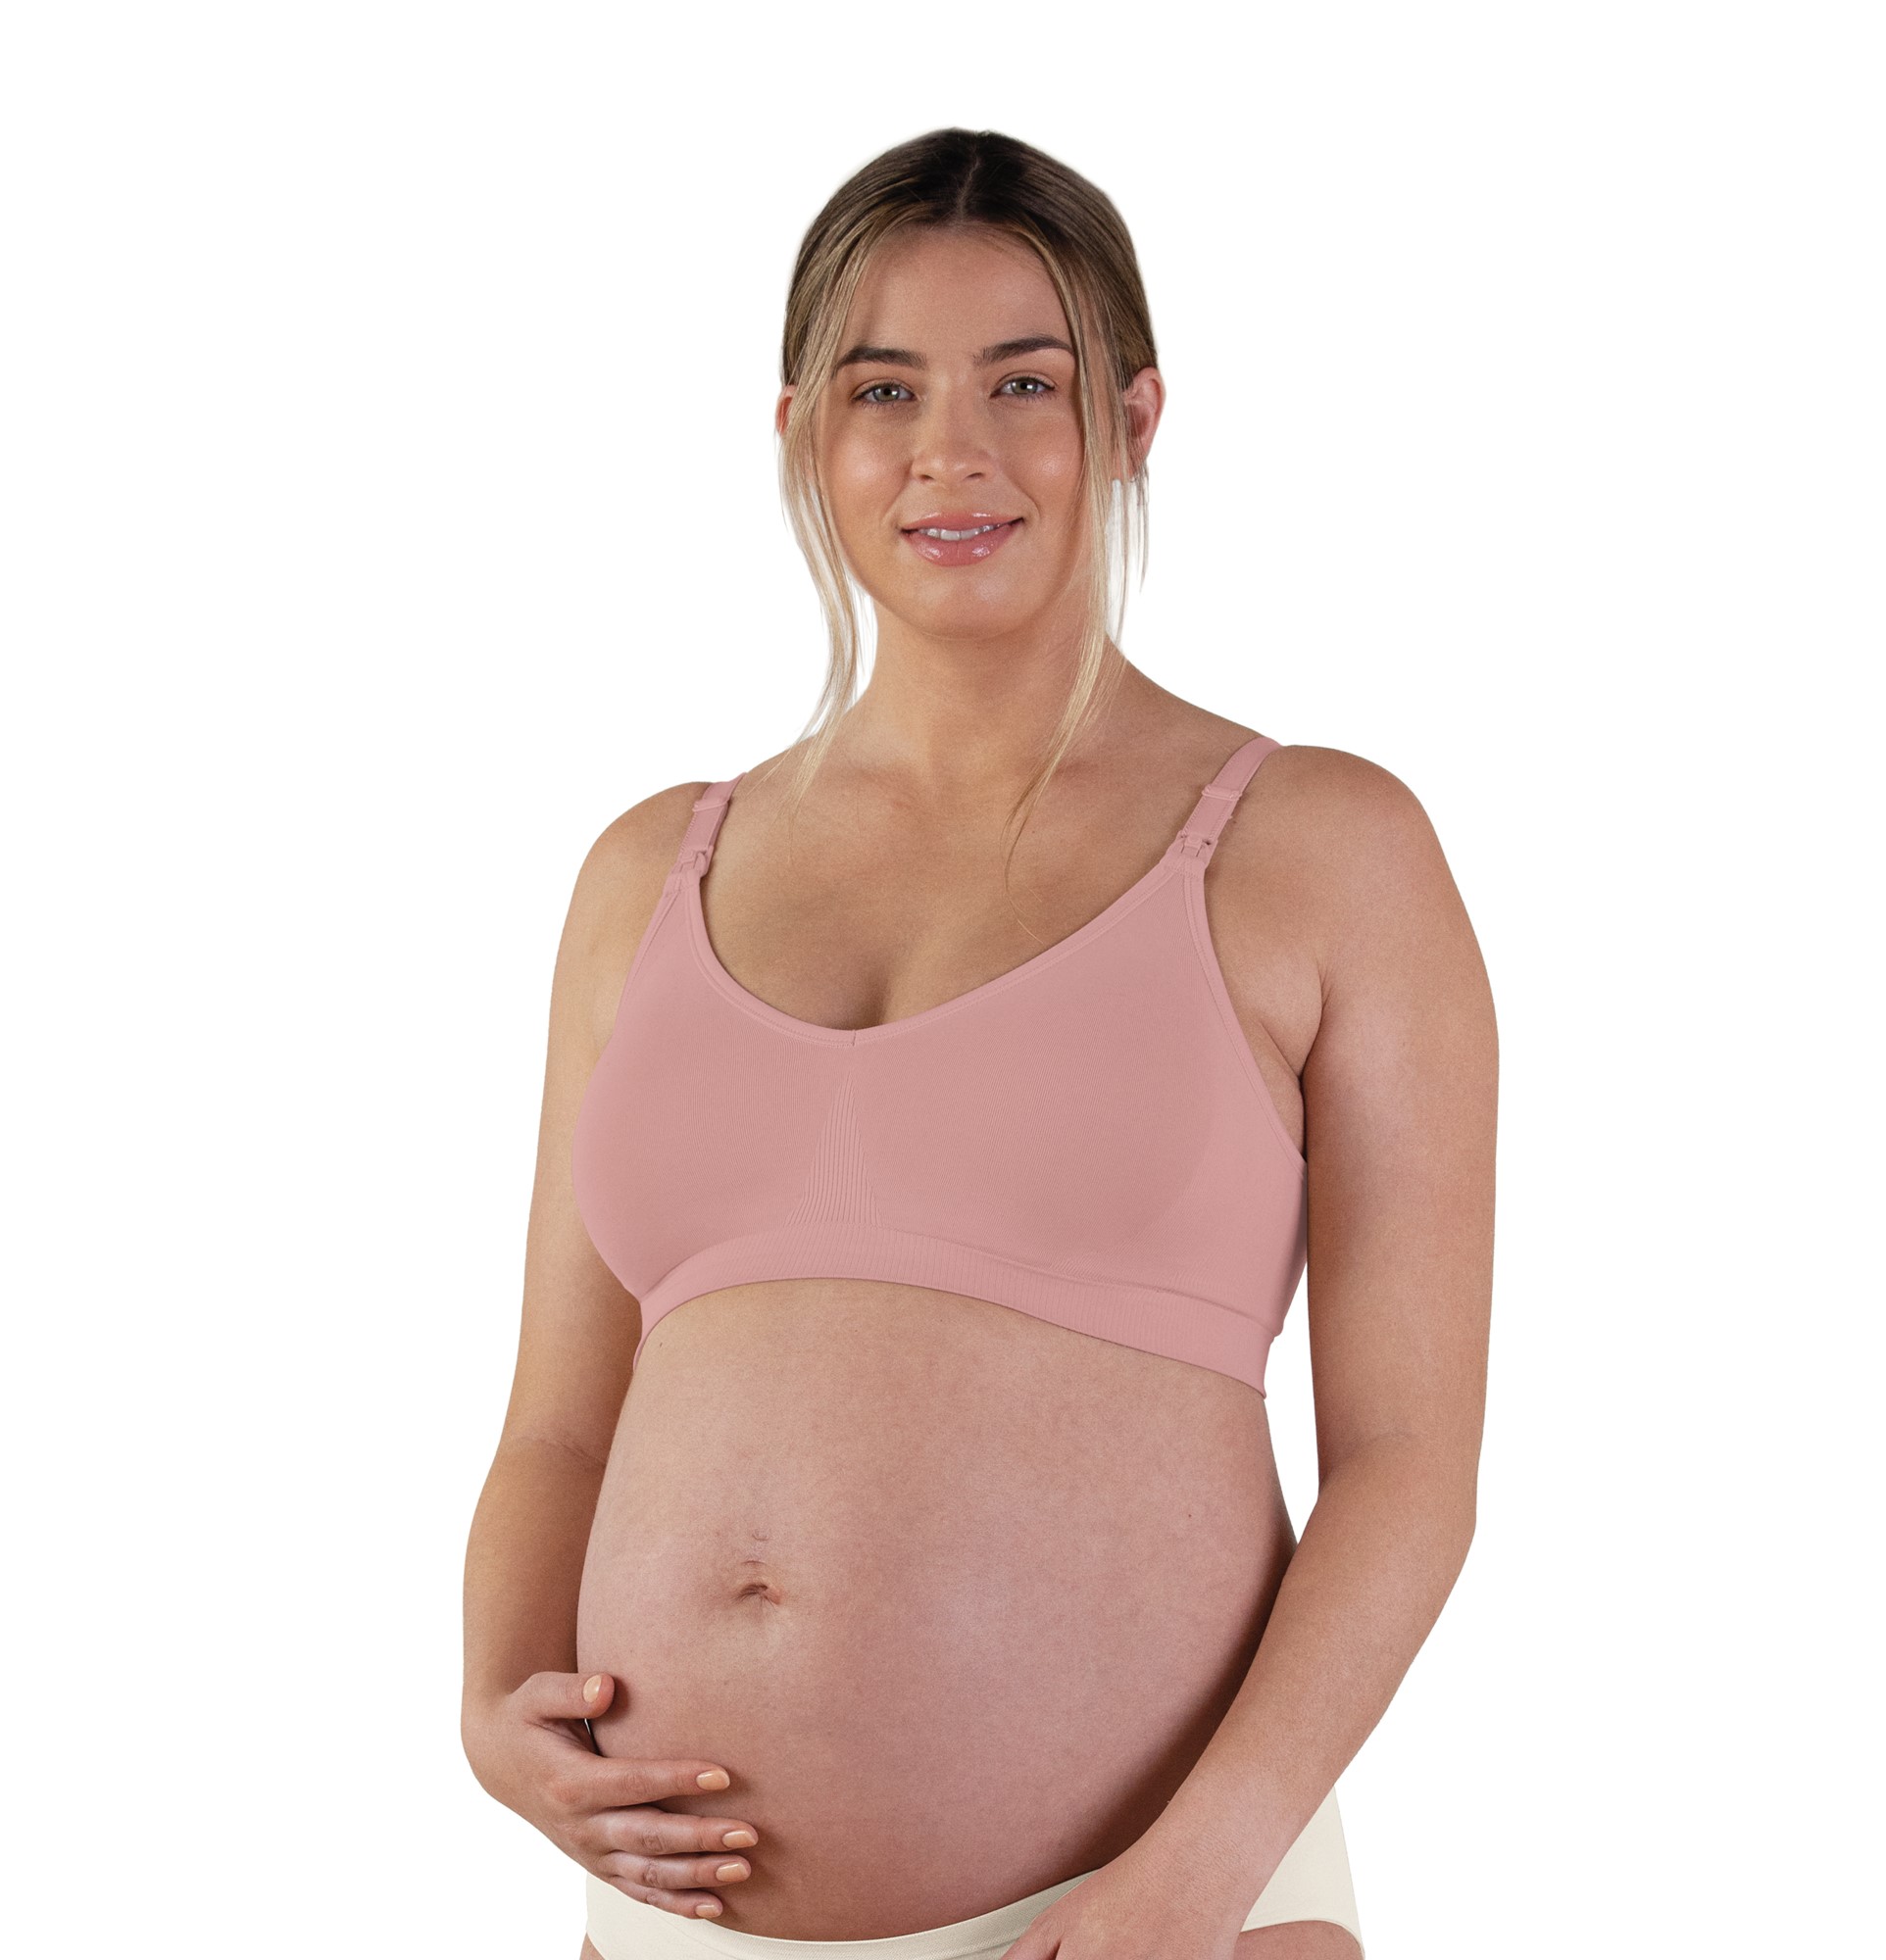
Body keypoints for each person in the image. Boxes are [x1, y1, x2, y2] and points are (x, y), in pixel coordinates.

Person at [462, 127, 1496, 1960]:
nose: (953, 450)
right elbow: (557, 1423)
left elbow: (1409, 1462)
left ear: (1134, 419)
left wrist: (1199, 1873)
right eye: (887, 390)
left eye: (1026, 382)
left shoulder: (1321, 850)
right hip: (667, 1921)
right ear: (805, 434)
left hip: (1139, 1917)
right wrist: (493, 1711)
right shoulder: (646, 872)